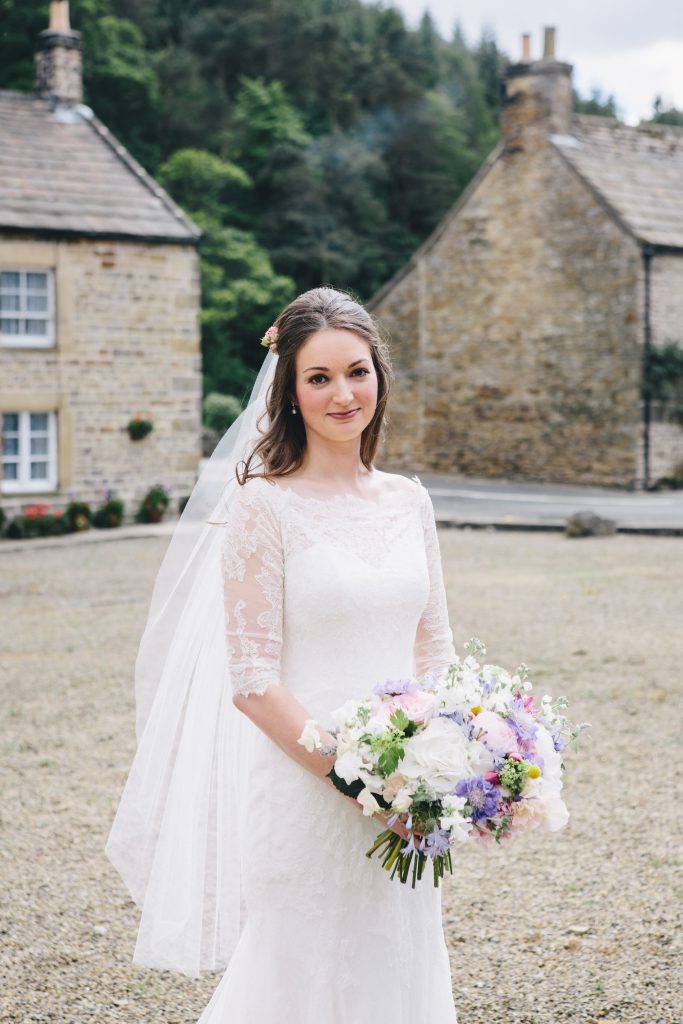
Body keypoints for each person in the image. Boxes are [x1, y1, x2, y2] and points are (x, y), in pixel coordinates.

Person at [106, 286, 458, 1022]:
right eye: (319, 378)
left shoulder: (409, 500)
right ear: (291, 393)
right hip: (308, 791)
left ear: (380, 376)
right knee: (300, 983)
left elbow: (436, 651)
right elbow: (253, 681)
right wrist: (363, 784)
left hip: (410, 794)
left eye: (356, 372)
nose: (343, 394)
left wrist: (445, 765)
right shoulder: (264, 504)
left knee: (397, 971)